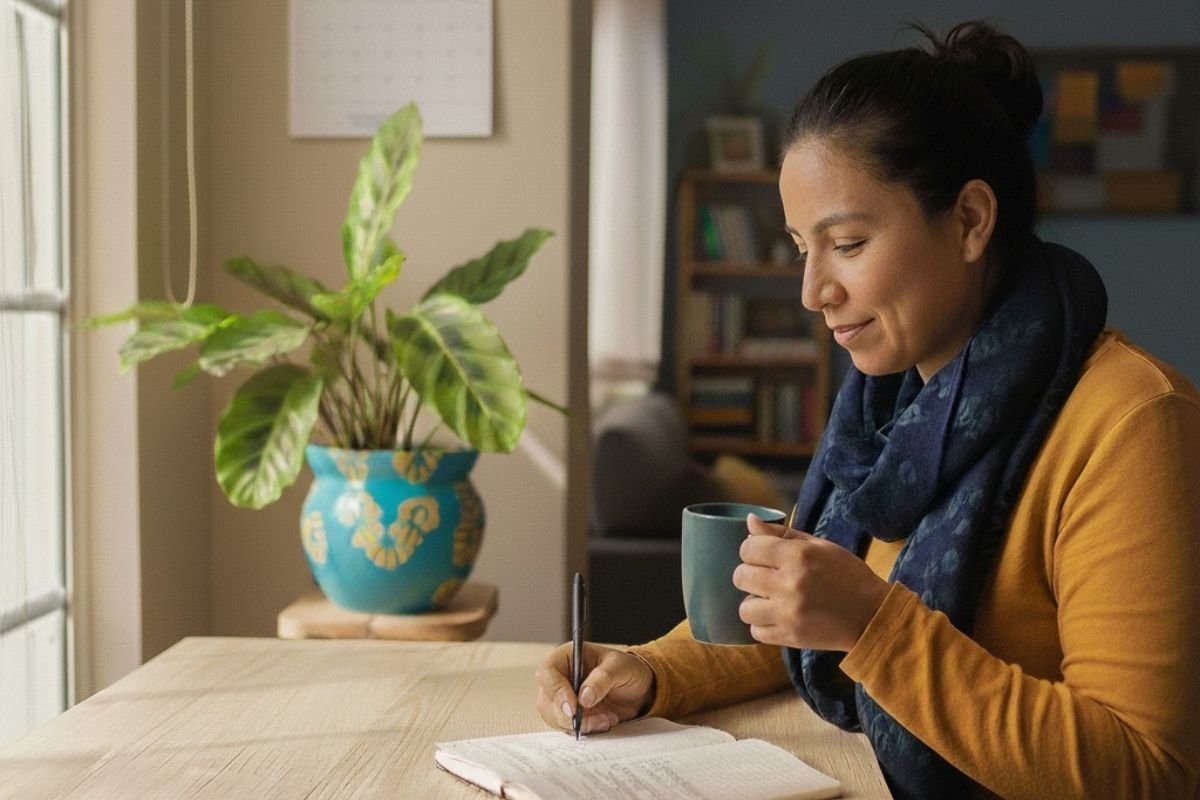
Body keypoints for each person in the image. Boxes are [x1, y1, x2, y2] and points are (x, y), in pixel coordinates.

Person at [535, 20, 1200, 800]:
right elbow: (804, 617)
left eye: (845, 244)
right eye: (799, 249)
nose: (813, 291)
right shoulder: (892, 404)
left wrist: (875, 627)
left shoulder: (1133, 423)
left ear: (970, 221)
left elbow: (1146, 772)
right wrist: (648, 671)